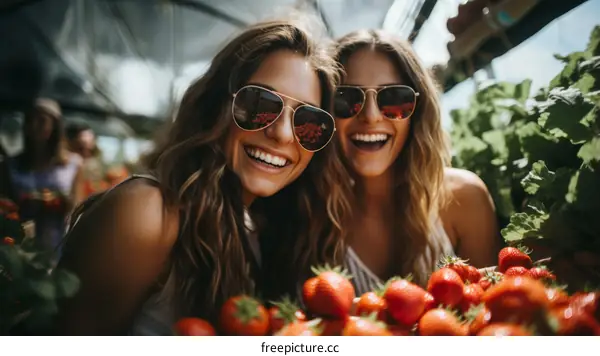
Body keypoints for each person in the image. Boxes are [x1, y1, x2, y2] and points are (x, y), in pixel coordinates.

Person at [53, 14, 350, 336]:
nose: (281, 134)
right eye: (259, 103)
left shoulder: (260, 228)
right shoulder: (148, 212)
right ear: (215, 105)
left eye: (308, 121)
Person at [332, 29, 500, 291]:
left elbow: (490, 319)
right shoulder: (311, 211)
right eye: (346, 98)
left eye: (395, 99)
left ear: (417, 113)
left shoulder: (465, 199)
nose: (371, 116)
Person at [8, 98, 83, 256]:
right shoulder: (11, 164)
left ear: (55, 127)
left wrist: (60, 202)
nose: (34, 126)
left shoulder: (72, 164)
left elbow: (78, 208)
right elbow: (5, 205)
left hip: (56, 242)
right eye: (30, 120)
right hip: (18, 245)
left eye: (42, 121)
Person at [65, 123, 109, 198]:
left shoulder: (99, 165)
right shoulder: (68, 165)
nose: (87, 154)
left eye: (90, 150)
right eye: (81, 149)